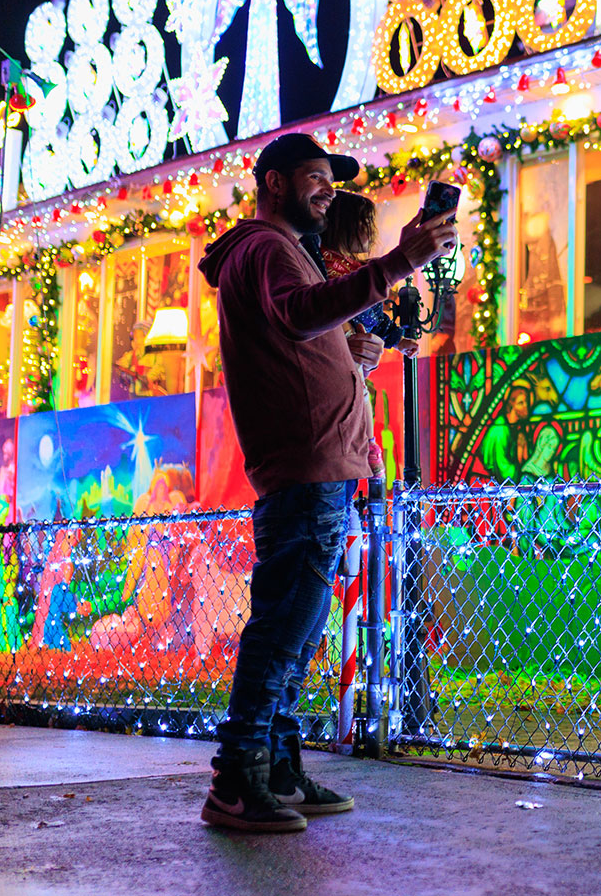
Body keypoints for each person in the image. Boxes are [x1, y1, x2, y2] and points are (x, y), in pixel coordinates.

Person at [197, 133, 455, 832]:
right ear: (274, 183)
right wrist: (400, 261)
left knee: (301, 628)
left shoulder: (282, 255)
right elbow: (298, 312)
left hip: (324, 465)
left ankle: (276, 769)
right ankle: (236, 778)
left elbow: (303, 333)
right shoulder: (267, 249)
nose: (327, 192)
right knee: (285, 626)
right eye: (314, 178)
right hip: (307, 466)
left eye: (331, 182)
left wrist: (352, 354)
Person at [319, 189, 419, 478]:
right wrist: (397, 338)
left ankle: (367, 444)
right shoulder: (333, 270)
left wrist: (396, 338)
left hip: (354, 358)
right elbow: (371, 315)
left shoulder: (351, 269)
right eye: (362, 223)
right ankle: (368, 444)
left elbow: (374, 317)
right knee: (357, 395)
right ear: (342, 226)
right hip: (342, 356)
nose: (370, 231)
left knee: (360, 393)